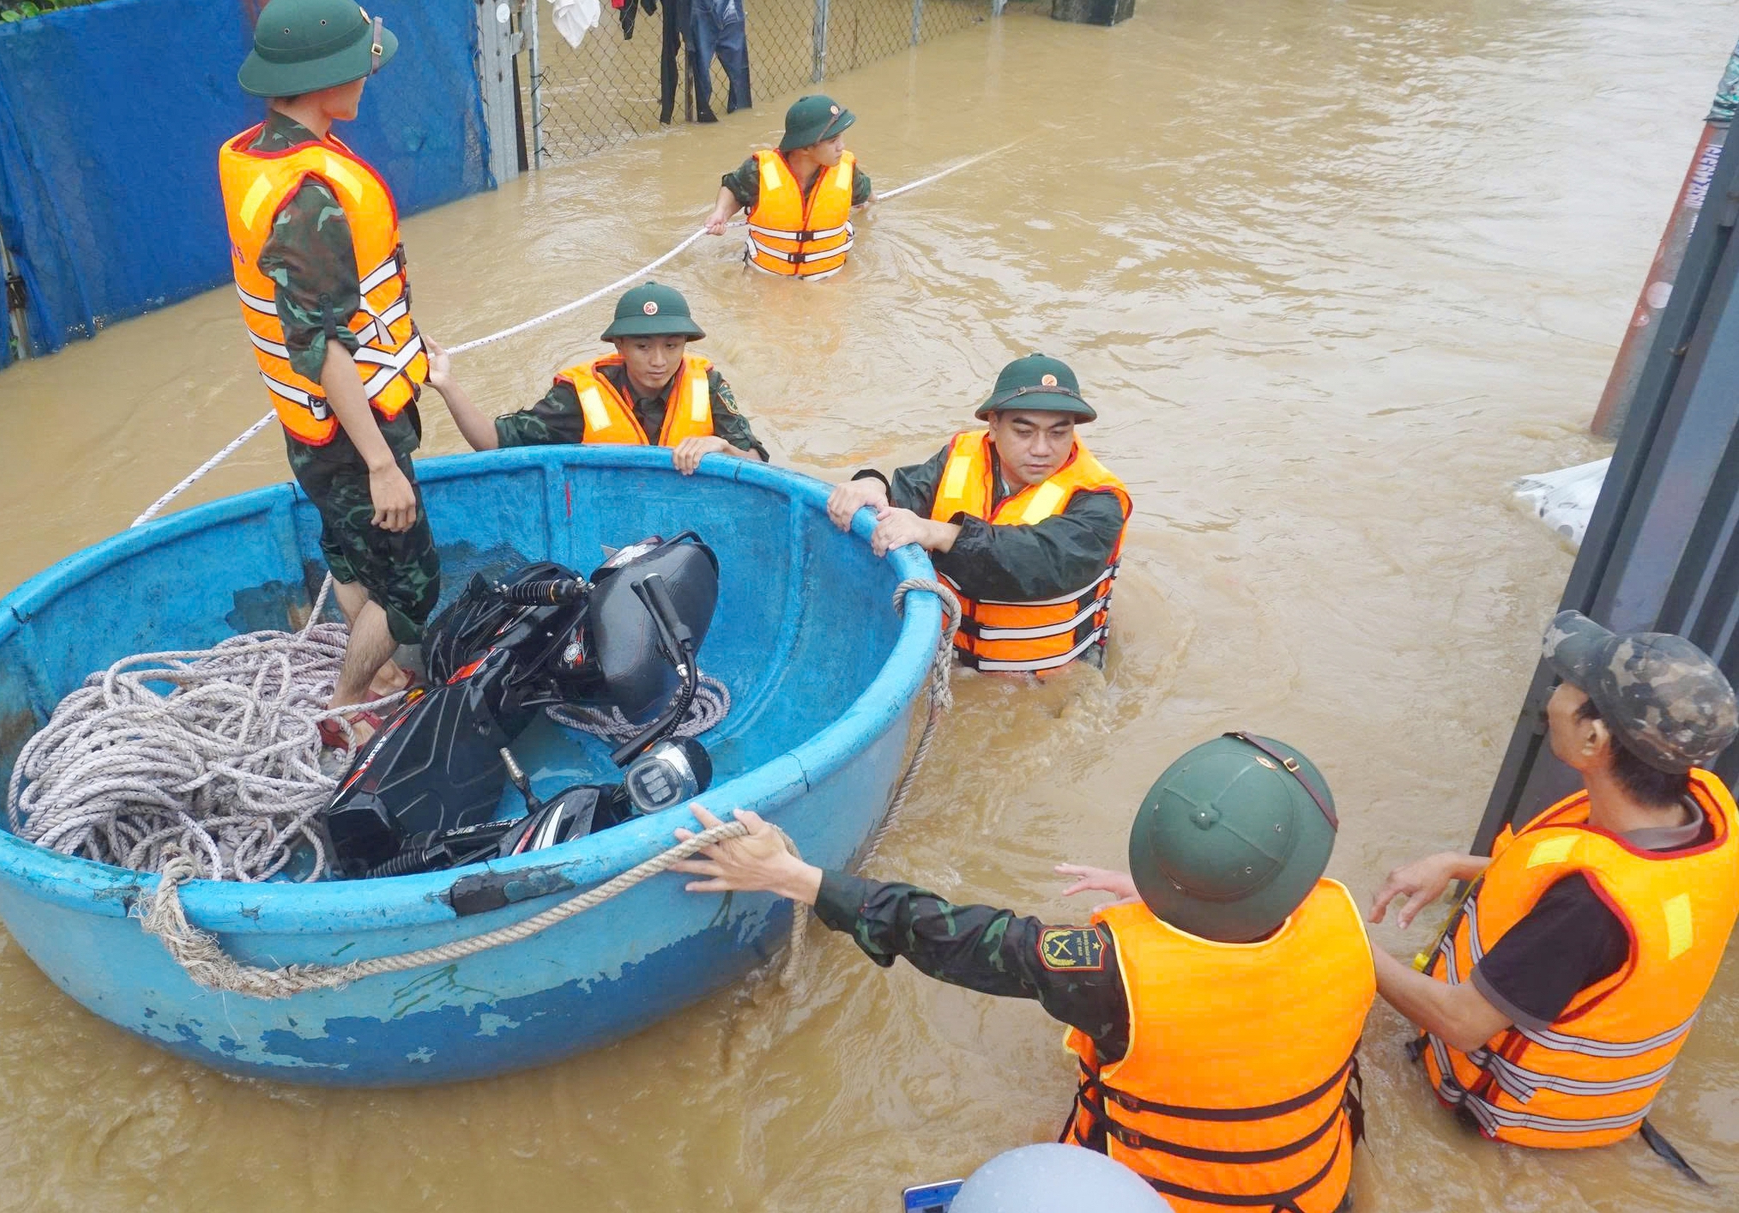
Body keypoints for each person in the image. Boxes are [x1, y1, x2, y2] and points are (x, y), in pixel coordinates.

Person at [672, 734, 1375, 1213]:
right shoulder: (1342, 922)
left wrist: (792, 874)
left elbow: (952, 935)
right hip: (1316, 1193)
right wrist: (1178, 903)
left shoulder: (1110, 972)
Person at [1368, 611, 1739, 1150]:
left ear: (1593, 737)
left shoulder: (1589, 911)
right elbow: (1587, 886)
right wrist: (1455, 863)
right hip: (1601, 1112)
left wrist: (1349, 937)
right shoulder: (1700, 813)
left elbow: (1461, 1022)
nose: (1557, 690)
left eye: (1573, 684)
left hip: (1505, 1129)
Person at [216, 0, 435, 750]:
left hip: (305, 423)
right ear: (321, 83)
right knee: (412, 589)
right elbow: (324, 343)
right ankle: (347, 705)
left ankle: (373, 678)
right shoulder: (311, 198)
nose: (368, 75)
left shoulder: (258, 154)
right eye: (358, 64)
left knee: (347, 551)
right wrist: (381, 461)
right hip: (352, 428)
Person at [826, 354, 1130, 673]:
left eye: (1058, 433)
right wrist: (871, 485)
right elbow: (904, 498)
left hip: (1047, 678)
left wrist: (939, 533)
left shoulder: (1100, 499)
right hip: (950, 657)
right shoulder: (960, 457)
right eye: (1024, 431)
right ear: (994, 426)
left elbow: (1044, 562)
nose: (1041, 449)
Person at [424, 282, 768, 474]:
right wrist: (446, 385)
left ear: (685, 345)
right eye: (643, 346)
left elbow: (756, 464)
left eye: (672, 345)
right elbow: (493, 444)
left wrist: (722, 447)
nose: (659, 360)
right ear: (618, 345)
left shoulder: (708, 384)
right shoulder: (578, 395)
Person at [703, 94, 872, 279]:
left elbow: (865, 193)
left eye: (840, 138)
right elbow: (733, 189)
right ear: (805, 148)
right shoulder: (759, 170)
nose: (842, 146)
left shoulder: (846, 170)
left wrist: (871, 204)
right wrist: (721, 213)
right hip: (766, 278)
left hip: (831, 279)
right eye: (833, 141)